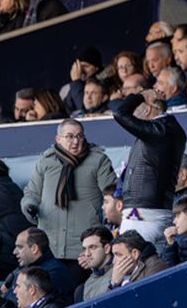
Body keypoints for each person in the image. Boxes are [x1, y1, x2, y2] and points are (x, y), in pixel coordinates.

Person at [21, 119, 117, 278]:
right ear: (58, 139)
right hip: (50, 246)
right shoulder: (45, 161)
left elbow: (113, 194)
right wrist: (29, 206)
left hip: (83, 249)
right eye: (70, 136)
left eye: (80, 136)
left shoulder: (98, 160)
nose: (76, 141)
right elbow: (32, 193)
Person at [112, 88, 186, 250]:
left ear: (147, 109)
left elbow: (120, 113)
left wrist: (141, 96)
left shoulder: (161, 130)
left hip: (144, 216)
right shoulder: (164, 128)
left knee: (132, 260)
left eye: (136, 108)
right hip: (148, 212)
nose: (133, 114)